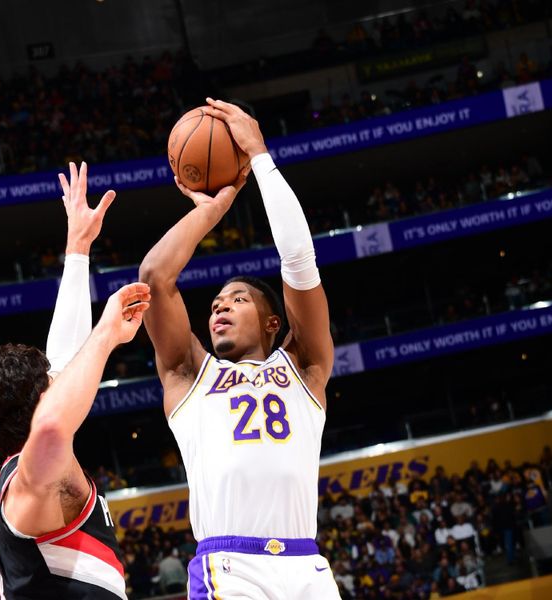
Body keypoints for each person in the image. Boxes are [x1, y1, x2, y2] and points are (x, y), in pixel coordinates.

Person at [139, 99, 340, 599]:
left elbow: (298, 259)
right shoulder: (189, 376)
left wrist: (260, 157)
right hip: (230, 566)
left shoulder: (305, 368)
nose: (219, 308)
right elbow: (154, 279)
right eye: (214, 304)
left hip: (306, 566)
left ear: (274, 322)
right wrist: (213, 209)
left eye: (238, 299)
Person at [0, 163, 150, 600]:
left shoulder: (30, 464)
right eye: (49, 381)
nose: (59, 378)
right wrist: (106, 335)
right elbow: (51, 423)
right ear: (40, 400)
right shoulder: (27, 484)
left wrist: (78, 246)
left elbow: (64, 355)